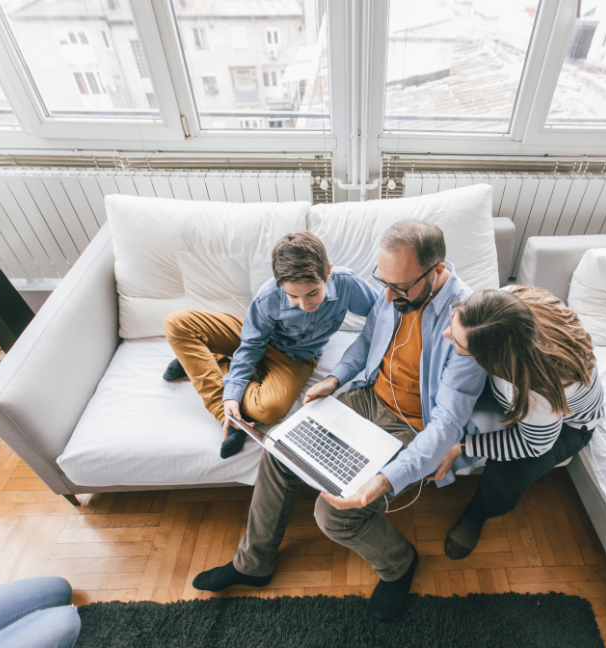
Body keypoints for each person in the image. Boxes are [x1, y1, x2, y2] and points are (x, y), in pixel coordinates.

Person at [191, 220, 487, 620]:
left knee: (333, 515)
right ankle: (253, 563)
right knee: (281, 448)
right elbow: (367, 341)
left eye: (398, 287)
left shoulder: (469, 324)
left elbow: (446, 425)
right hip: (367, 396)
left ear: (435, 271)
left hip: (413, 427)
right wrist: (334, 379)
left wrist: (385, 481)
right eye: (382, 281)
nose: (385, 295)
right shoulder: (395, 290)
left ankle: (399, 563)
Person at [163, 231, 378, 458]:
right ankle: (222, 407)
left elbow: (381, 317)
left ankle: (201, 362)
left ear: (328, 272)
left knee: (269, 409)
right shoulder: (268, 297)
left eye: (313, 293)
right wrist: (232, 394)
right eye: (294, 297)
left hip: (295, 357)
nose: (304, 305)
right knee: (177, 323)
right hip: (255, 338)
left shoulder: (347, 284)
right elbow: (251, 345)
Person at [437, 285, 605, 560]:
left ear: (494, 360)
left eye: (458, 342)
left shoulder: (538, 393)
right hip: (522, 393)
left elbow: (532, 444)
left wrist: (461, 447)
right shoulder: (507, 303)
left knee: (507, 475)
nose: (447, 336)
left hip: (567, 427)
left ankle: (477, 513)